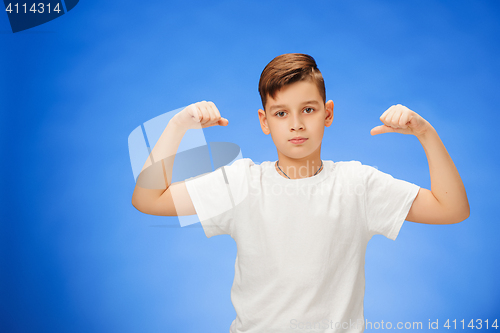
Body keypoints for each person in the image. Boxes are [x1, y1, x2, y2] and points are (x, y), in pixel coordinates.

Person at [131, 53, 470, 333]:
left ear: (328, 113)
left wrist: (425, 133)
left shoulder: (357, 184)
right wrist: (177, 126)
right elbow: (148, 198)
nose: (296, 124)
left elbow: (452, 208)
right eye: (281, 113)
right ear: (265, 122)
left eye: (308, 109)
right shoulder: (241, 184)